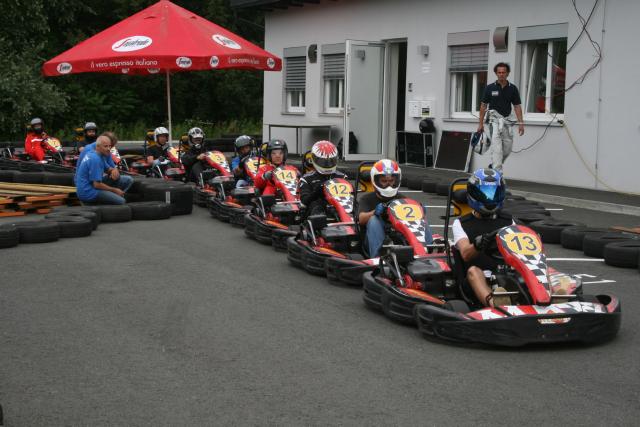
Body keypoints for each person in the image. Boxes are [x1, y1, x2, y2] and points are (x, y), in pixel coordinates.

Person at [451, 168, 514, 307]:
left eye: (494, 193)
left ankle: (552, 298)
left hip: (506, 274)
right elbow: (465, 254)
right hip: (479, 278)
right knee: (473, 271)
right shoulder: (461, 223)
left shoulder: (509, 221)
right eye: (485, 193)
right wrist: (478, 244)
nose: (490, 198)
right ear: (474, 194)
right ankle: (495, 304)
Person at [477, 62, 525, 172]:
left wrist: (521, 123)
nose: (501, 74)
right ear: (496, 73)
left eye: (503, 72)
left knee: (507, 149)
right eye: (499, 72)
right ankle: (497, 173)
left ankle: (494, 165)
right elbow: (483, 106)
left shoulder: (512, 88)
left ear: (507, 73)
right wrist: (480, 124)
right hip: (493, 121)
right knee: (497, 149)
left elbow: (517, 106)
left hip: (507, 122)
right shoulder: (490, 88)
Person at [357, 159, 408, 258]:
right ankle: (377, 257)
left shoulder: (402, 199)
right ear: (375, 181)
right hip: (371, 239)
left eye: (391, 181)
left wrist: (418, 210)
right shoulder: (367, 199)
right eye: (384, 181)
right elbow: (361, 219)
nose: (388, 184)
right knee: (373, 220)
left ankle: (424, 253)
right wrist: (374, 212)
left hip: (397, 236)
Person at [74, 135, 133, 205]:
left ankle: (113, 196)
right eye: (105, 146)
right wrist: (114, 190)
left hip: (92, 184)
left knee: (127, 180)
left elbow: (108, 168)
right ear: (98, 147)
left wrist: (114, 171)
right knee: (121, 201)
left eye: (109, 146)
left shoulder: (99, 154)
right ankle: (93, 203)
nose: (108, 149)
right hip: (88, 192)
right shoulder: (95, 159)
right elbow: (96, 185)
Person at [299, 140, 346, 217]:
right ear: (314, 159)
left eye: (331, 161)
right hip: (316, 211)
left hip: (339, 207)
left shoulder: (342, 177)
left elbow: (351, 196)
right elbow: (304, 201)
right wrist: (316, 193)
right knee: (315, 205)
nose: (328, 164)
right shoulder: (306, 178)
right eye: (323, 161)